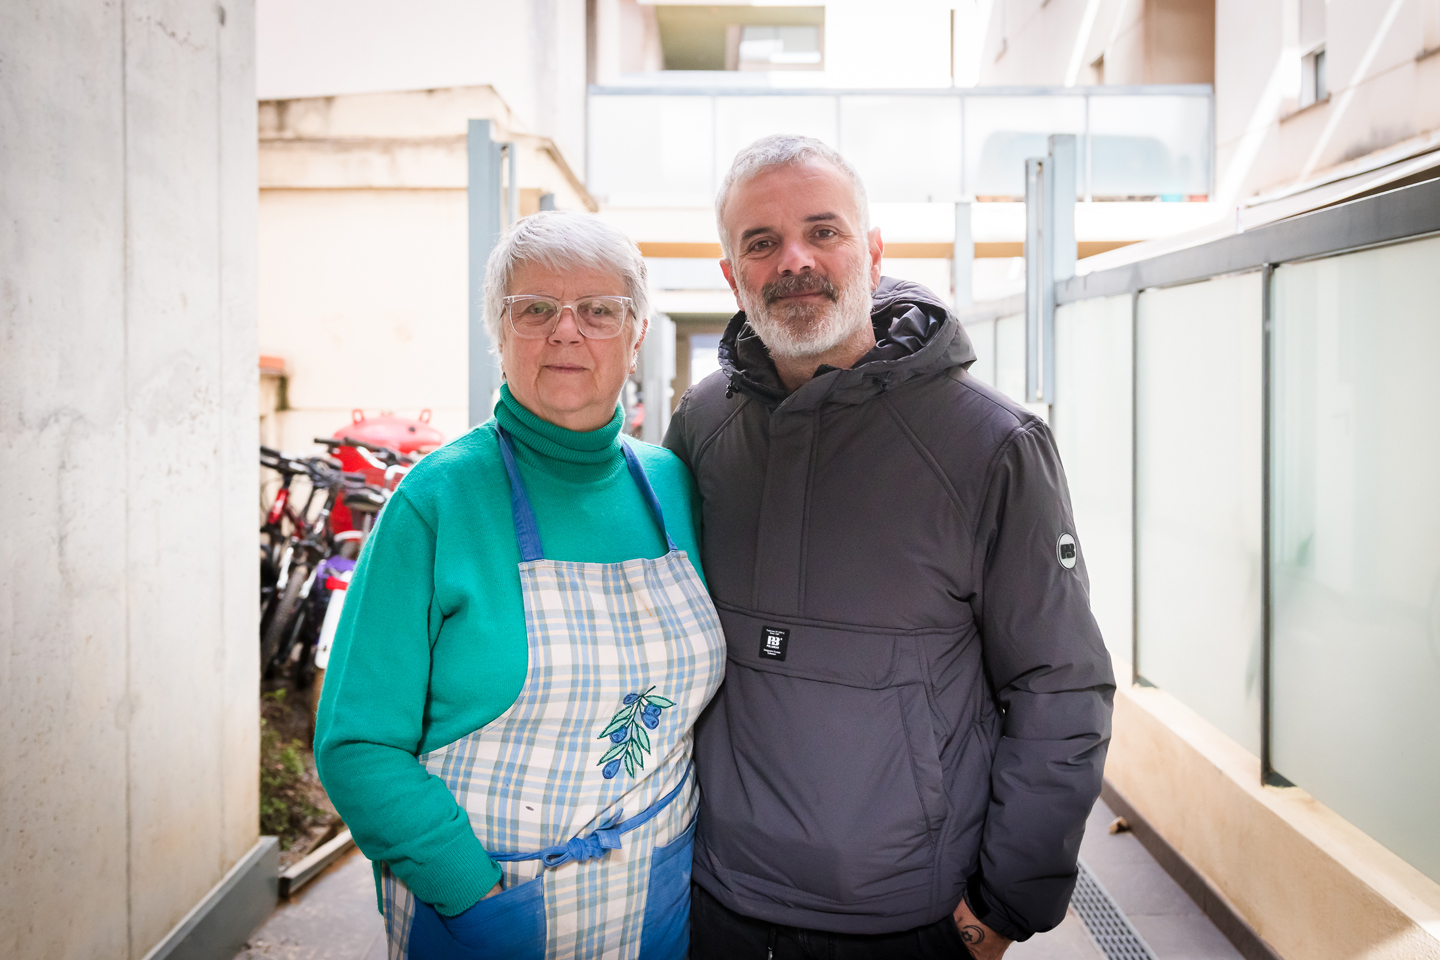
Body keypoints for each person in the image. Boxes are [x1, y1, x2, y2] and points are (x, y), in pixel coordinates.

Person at [664, 135, 1116, 960]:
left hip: (906, 922)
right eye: (760, 243)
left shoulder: (991, 445)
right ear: (731, 276)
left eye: (822, 230)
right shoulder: (702, 423)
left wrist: (1003, 906)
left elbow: (1060, 685)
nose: (794, 259)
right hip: (713, 900)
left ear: (872, 251)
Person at [316, 210, 726, 960]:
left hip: (654, 903)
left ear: (635, 334)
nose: (566, 332)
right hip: (489, 915)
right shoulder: (435, 501)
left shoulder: (671, 486)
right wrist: (469, 887)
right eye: (535, 309)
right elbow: (357, 744)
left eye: (599, 311)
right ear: (498, 333)